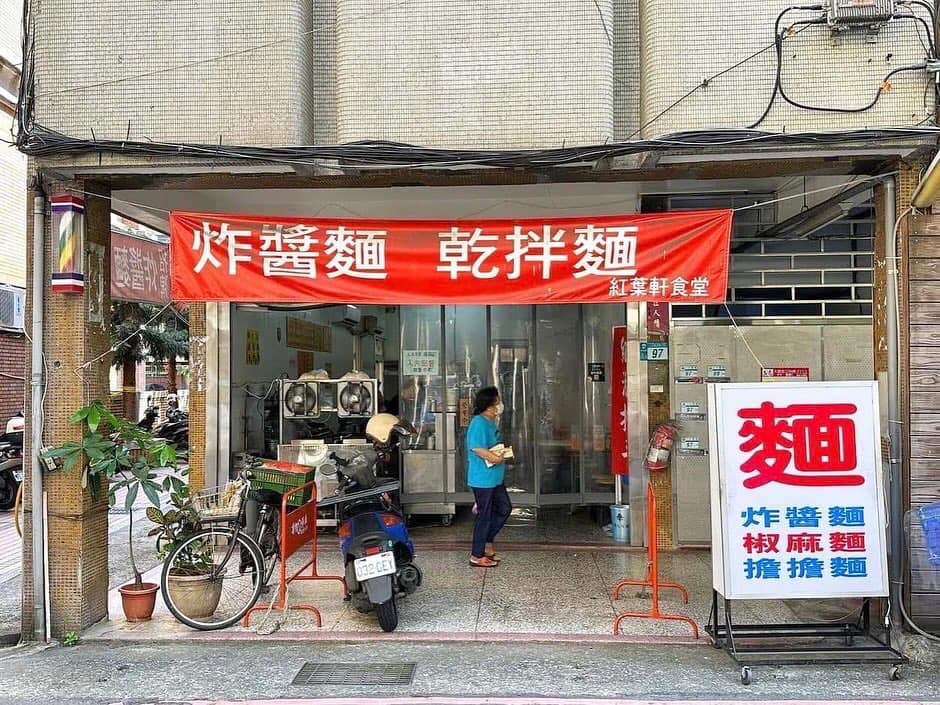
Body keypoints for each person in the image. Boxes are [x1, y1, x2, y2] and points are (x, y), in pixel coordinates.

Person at [466, 386, 512, 568]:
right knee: (484, 516)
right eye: (497, 401)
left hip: (494, 478)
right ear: (489, 404)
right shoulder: (478, 422)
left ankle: (487, 541)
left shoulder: (491, 422)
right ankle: (477, 555)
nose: (500, 404)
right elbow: (476, 447)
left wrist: (502, 453)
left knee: (504, 508)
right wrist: (495, 458)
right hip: (482, 479)